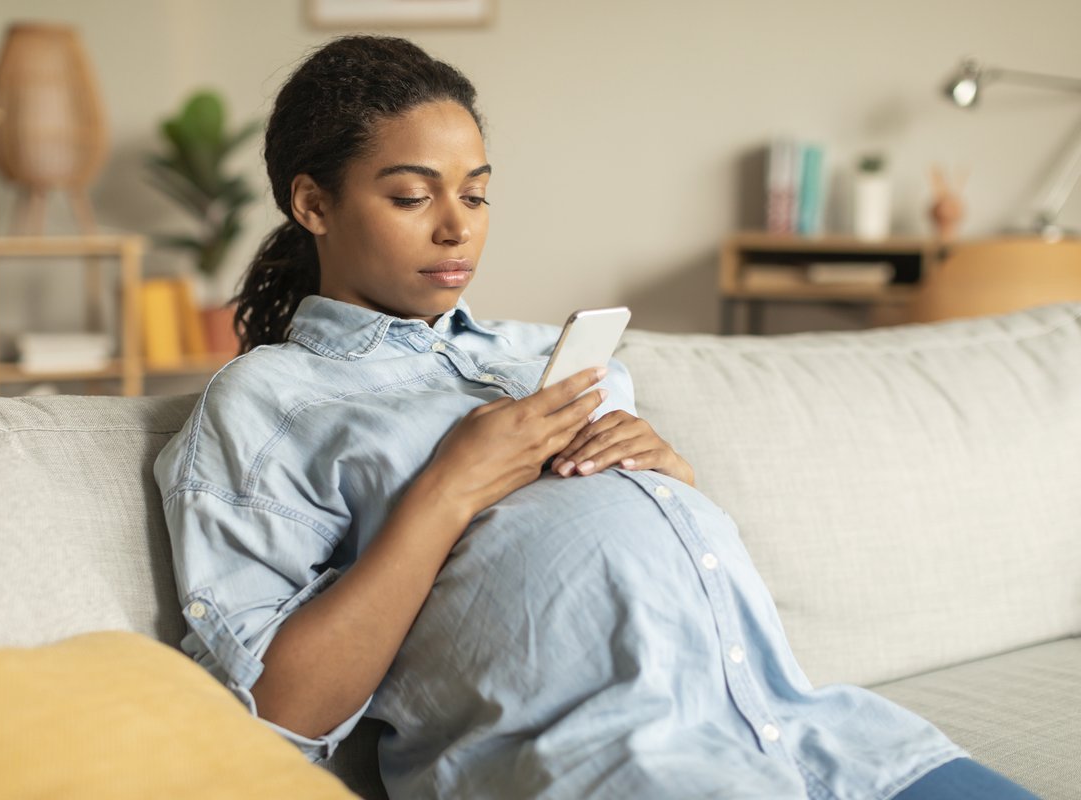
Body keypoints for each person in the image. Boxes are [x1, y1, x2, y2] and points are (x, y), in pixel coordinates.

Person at [154, 35, 1039, 800]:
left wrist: (671, 482)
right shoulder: (268, 401)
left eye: (477, 191)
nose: (459, 229)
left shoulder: (545, 354)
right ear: (314, 204)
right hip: (618, 770)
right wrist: (449, 489)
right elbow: (271, 715)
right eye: (413, 196)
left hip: (824, 741)